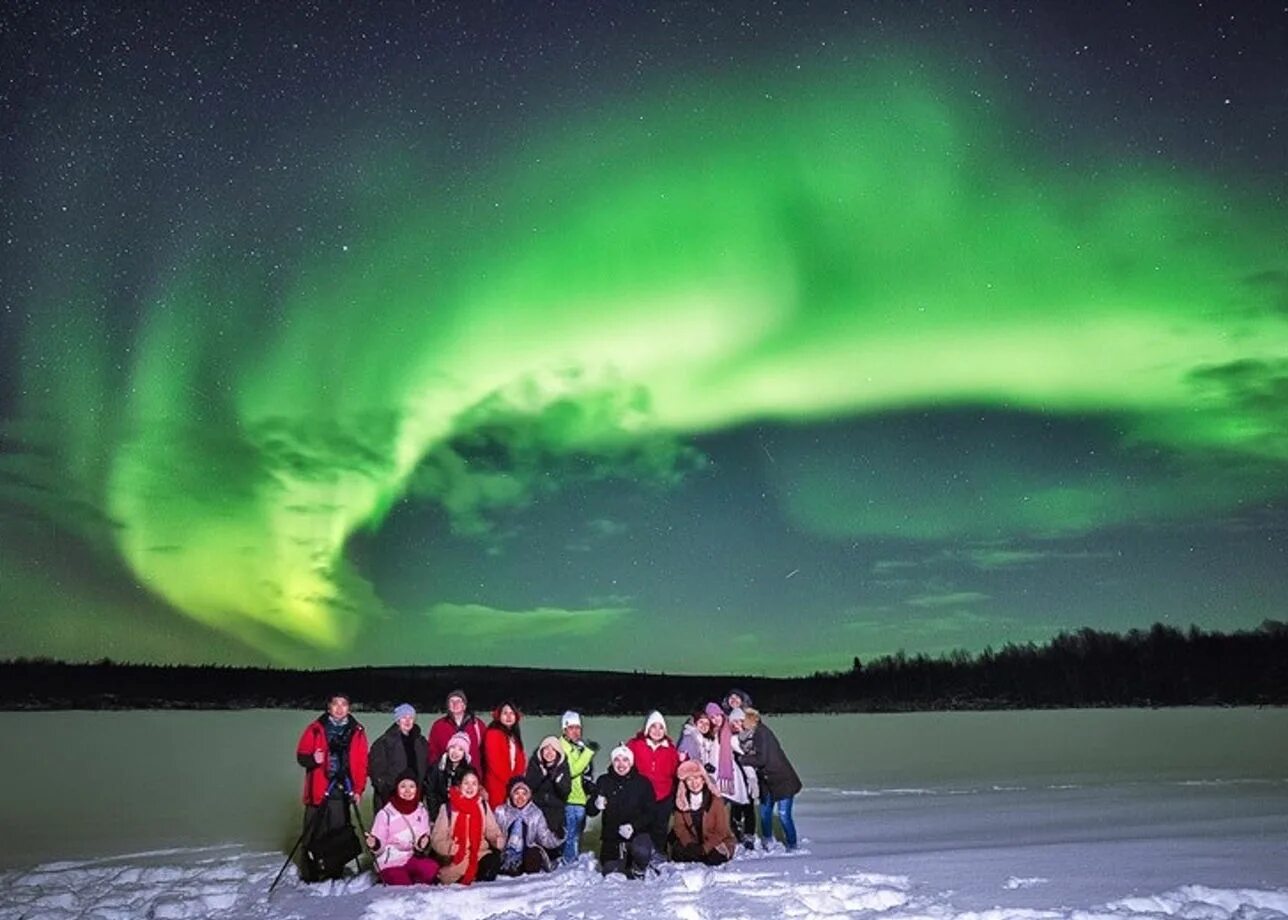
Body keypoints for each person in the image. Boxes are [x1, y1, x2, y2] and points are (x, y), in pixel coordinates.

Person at [294, 693, 368, 876]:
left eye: (344, 704)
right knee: (313, 832)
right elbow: (301, 755)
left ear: (349, 708)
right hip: (318, 788)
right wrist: (313, 758)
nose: (340, 708)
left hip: (342, 788)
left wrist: (358, 789)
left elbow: (361, 763)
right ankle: (310, 871)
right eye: (335, 704)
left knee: (338, 833)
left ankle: (334, 870)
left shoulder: (357, 731)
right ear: (329, 707)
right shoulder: (316, 728)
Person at [739, 707, 802, 851]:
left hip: (783, 780)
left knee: (784, 814)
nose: (741, 724)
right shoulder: (753, 734)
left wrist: (742, 759)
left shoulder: (762, 733)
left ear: (750, 721)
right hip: (767, 781)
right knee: (765, 812)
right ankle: (767, 841)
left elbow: (761, 759)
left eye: (743, 721)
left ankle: (792, 845)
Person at [430, 767, 505, 885]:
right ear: (459, 785)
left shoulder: (482, 805)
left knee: (492, 862)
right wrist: (448, 848)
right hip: (456, 856)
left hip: (478, 853)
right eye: (466, 783)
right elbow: (437, 838)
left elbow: (492, 829)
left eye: (474, 783)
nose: (470, 787)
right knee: (447, 878)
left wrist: (496, 839)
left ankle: (477, 880)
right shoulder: (448, 808)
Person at [591, 745, 656, 878]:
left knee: (641, 852)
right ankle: (623, 858)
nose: (621, 764)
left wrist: (633, 826)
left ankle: (640, 866)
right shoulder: (604, 781)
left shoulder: (643, 783)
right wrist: (595, 804)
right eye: (617, 760)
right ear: (612, 762)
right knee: (611, 871)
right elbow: (590, 811)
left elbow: (651, 813)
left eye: (625, 760)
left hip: (637, 833)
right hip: (612, 837)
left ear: (631, 763)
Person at [365, 773, 439, 885]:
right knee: (403, 884)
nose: (408, 791)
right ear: (397, 789)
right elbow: (378, 844)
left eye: (411, 786)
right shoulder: (385, 813)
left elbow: (423, 836)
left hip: (409, 857)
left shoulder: (421, 810)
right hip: (390, 862)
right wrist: (374, 843)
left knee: (431, 869)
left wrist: (422, 843)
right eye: (403, 786)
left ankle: (413, 878)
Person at [626, 710, 679, 857]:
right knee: (640, 828)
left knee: (660, 828)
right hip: (641, 796)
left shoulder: (671, 750)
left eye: (660, 727)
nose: (657, 731)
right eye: (653, 727)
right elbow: (623, 764)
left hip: (663, 796)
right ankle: (638, 856)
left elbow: (675, 773)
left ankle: (659, 855)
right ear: (647, 728)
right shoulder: (635, 744)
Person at [705, 702, 755, 848]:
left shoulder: (729, 731)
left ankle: (745, 835)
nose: (715, 720)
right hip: (716, 776)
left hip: (731, 776)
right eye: (712, 718)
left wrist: (753, 774)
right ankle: (720, 835)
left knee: (742, 804)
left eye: (717, 716)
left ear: (722, 713)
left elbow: (744, 752)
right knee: (718, 807)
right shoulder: (712, 732)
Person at [492, 776, 563, 875]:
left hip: (526, 850)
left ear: (529, 796)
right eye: (517, 793)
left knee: (533, 854)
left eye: (524, 794)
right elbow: (492, 833)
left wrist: (557, 836)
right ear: (511, 795)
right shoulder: (501, 811)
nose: (520, 798)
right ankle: (509, 864)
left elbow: (544, 838)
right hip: (505, 850)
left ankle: (527, 875)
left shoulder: (535, 813)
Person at [671, 760, 737, 866]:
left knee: (714, 857)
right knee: (678, 854)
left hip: (715, 841)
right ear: (684, 783)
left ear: (703, 779)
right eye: (689, 780)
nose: (694, 783)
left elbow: (721, 831)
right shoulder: (682, 802)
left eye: (697, 778)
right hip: (694, 842)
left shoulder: (715, 800)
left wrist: (705, 848)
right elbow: (679, 827)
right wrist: (690, 844)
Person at [369, 703, 429, 812]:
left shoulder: (421, 742)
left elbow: (426, 766)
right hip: (390, 797)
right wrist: (385, 789)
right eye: (403, 717)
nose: (407, 721)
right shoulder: (384, 742)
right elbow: (376, 770)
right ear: (397, 721)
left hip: (415, 797)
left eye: (410, 717)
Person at [524, 735, 572, 866]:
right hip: (537, 806)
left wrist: (557, 781)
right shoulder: (535, 764)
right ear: (541, 751)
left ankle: (552, 855)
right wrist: (541, 775)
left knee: (553, 827)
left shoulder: (563, 767)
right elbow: (529, 786)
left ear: (558, 752)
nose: (549, 753)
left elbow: (565, 792)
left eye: (553, 750)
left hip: (555, 807)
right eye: (546, 749)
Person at [558, 710, 597, 866]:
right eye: (571, 728)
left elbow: (585, 773)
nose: (575, 731)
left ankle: (571, 861)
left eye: (578, 728)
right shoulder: (562, 747)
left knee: (576, 835)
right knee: (570, 836)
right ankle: (568, 865)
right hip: (569, 799)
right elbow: (572, 770)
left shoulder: (578, 747)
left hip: (580, 799)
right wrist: (588, 752)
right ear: (564, 729)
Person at [427, 689, 486, 770]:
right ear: (448, 706)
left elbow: (485, 751)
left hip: (472, 777)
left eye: (459, 701)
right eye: (452, 701)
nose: (455, 704)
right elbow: (432, 752)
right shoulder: (438, 726)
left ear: (464, 706)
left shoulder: (478, 725)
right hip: (447, 776)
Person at [482, 701, 526, 807]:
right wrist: (510, 783)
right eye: (505, 713)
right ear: (499, 716)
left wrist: (518, 781)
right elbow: (495, 763)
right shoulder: (492, 733)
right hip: (497, 784)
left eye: (511, 713)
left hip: (513, 784)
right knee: (498, 815)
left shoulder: (514, 736)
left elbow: (520, 761)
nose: (509, 716)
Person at [424, 730, 472, 819]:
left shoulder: (469, 771)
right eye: (453, 747)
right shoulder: (437, 767)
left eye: (460, 749)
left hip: (460, 814)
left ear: (465, 754)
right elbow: (431, 792)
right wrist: (435, 816)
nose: (455, 752)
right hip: (439, 812)